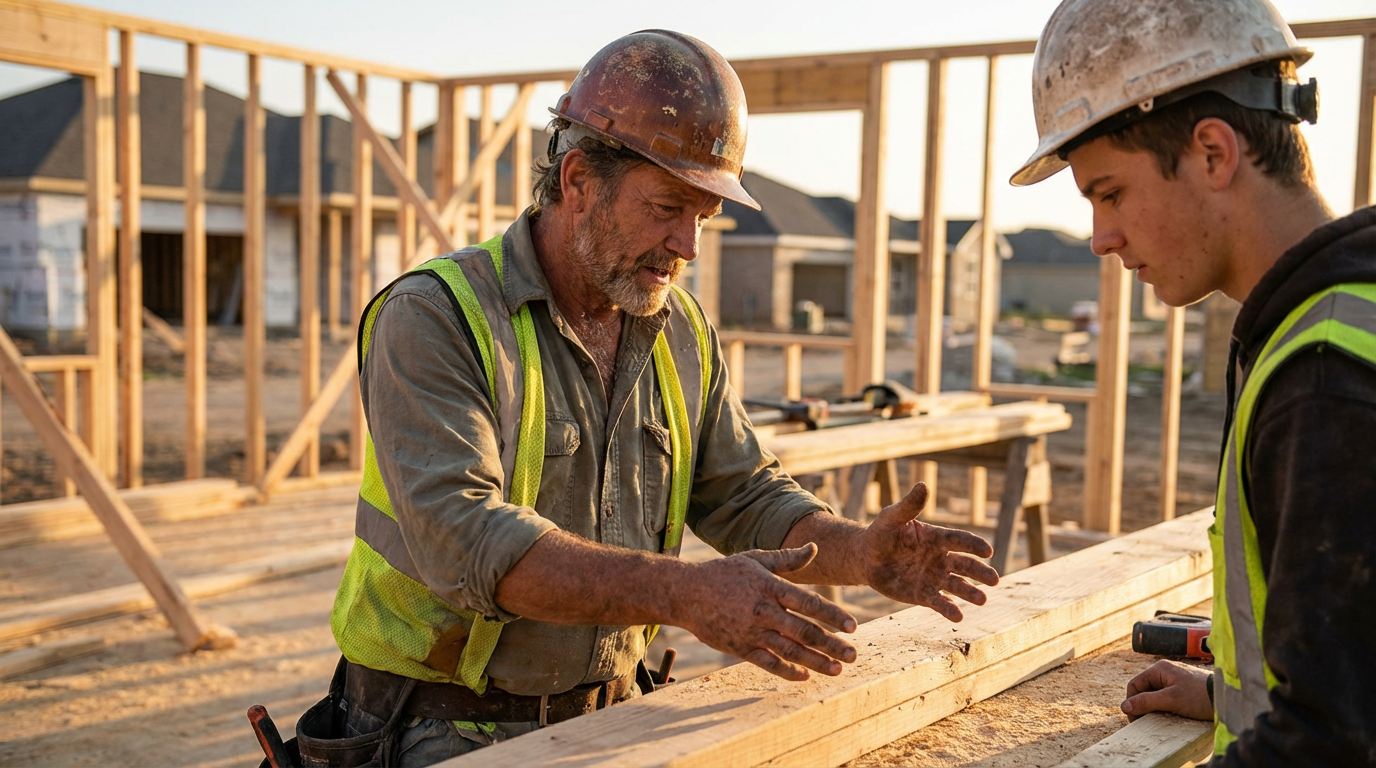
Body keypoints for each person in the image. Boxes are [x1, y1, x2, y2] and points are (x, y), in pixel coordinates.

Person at [305, 30, 1000, 766]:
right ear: (577, 181)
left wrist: (859, 552)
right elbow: (468, 542)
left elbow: (742, 494)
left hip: (612, 708)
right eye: (667, 207)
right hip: (432, 724)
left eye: (703, 215)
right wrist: (686, 593)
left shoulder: (679, 328)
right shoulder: (436, 316)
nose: (688, 245)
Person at [1014, 0, 1376, 764]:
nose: (1100, 237)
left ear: (1213, 152)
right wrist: (1230, 696)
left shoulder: (1324, 378)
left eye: (1109, 192)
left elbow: (1331, 743)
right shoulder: (1336, 317)